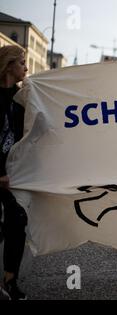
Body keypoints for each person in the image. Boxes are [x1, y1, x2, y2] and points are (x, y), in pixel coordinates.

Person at [0, 45, 28, 300]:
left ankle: (10, 280)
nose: (26, 68)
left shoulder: (21, 98)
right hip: (1, 173)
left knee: (17, 225)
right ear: (9, 65)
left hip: (14, 174)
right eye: (21, 63)